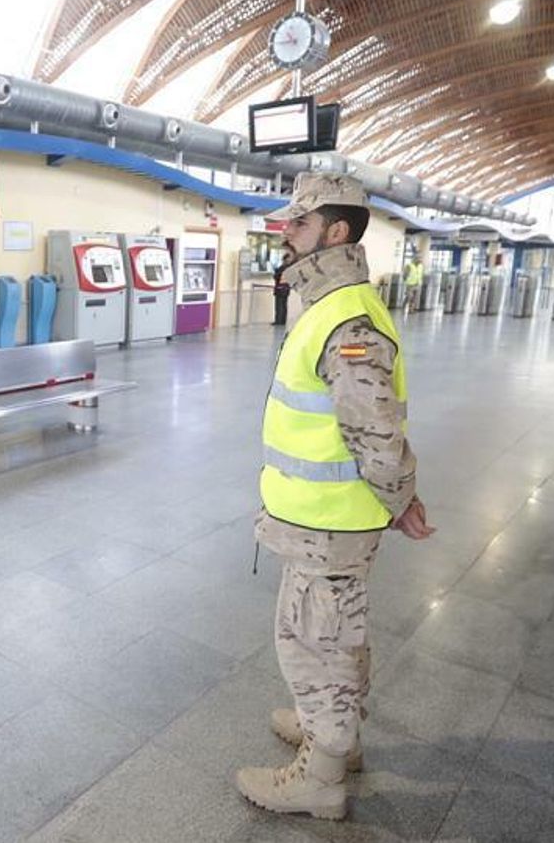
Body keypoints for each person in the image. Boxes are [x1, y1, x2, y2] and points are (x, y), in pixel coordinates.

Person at [236, 172, 435, 821]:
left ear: (336, 231)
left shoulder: (346, 316)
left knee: (315, 642)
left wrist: (401, 499)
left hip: (331, 523)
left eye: (300, 222)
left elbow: (373, 429)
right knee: (330, 631)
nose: (286, 232)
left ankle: (321, 774)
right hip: (319, 519)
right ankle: (329, 731)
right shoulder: (331, 302)